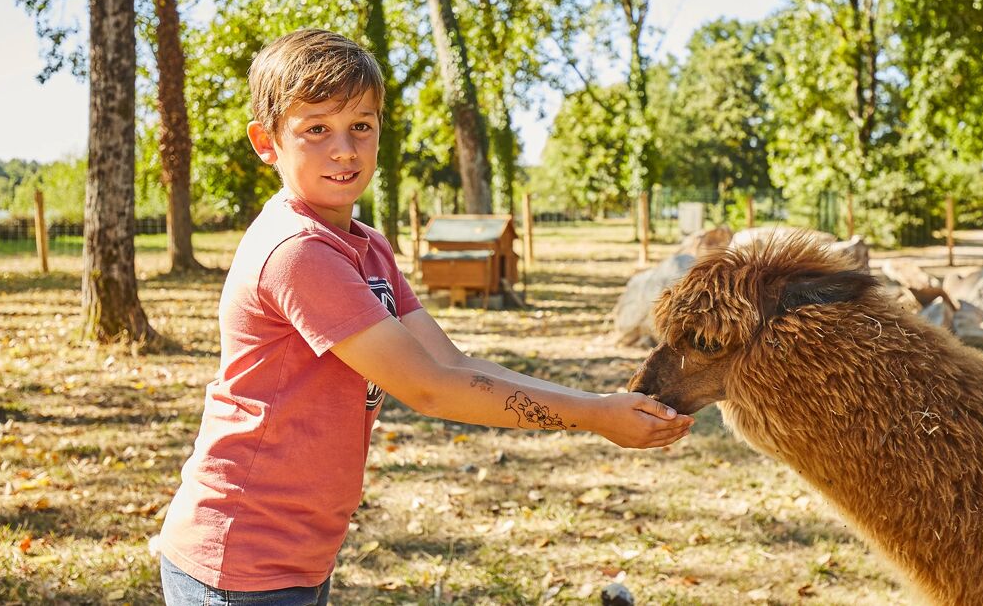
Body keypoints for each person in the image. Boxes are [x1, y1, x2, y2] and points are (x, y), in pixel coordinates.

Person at [157, 29, 693, 605]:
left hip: (297, 552)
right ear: (267, 142)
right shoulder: (298, 252)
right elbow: (431, 389)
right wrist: (595, 416)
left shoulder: (366, 247)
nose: (345, 149)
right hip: (240, 558)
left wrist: (602, 406)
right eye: (316, 129)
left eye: (361, 125)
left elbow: (450, 362)